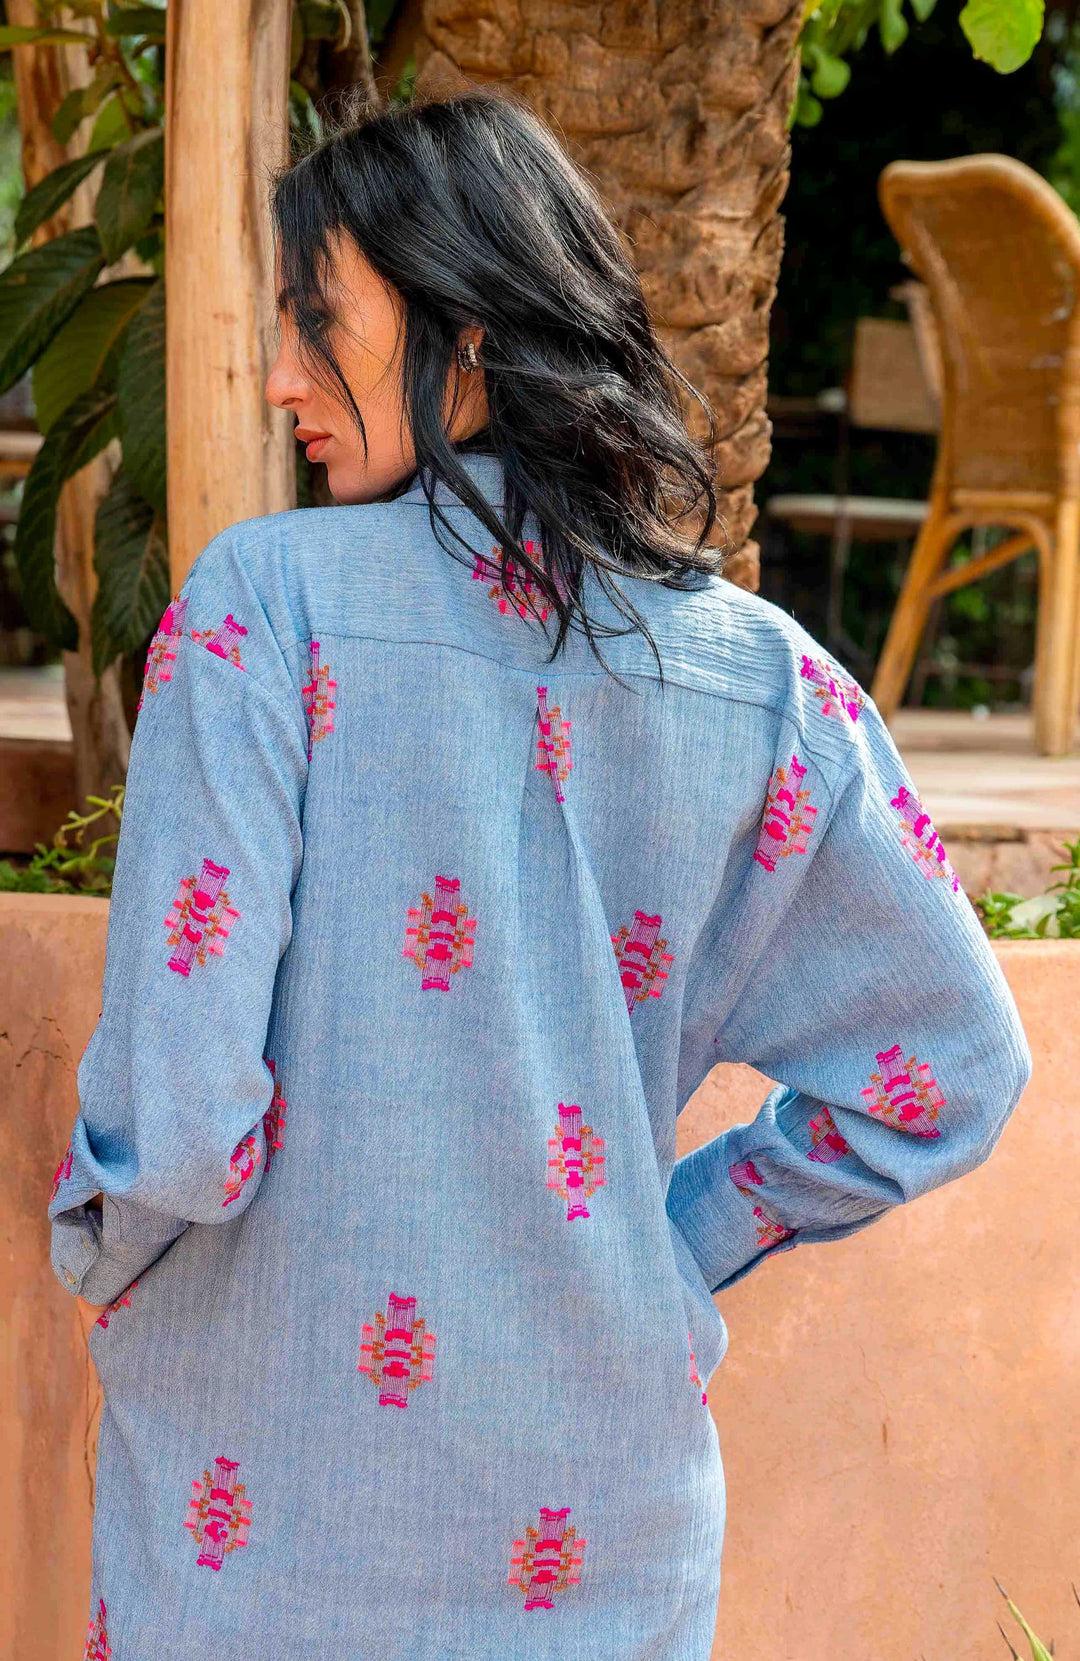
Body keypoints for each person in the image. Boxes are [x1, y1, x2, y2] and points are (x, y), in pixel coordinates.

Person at [48, 90, 1031, 1661]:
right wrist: (670, 1243)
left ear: (471, 329)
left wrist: (99, 1249)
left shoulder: (262, 611)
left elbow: (181, 1128)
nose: (281, 373)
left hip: (266, 1522)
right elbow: (954, 1067)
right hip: (600, 1535)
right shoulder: (764, 682)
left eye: (316, 316)